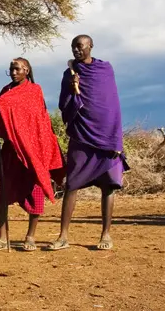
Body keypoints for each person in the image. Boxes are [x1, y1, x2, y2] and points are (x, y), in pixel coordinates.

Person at [49, 35, 129, 251]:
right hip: (82, 135)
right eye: (73, 46)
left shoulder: (105, 70)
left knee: (108, 185)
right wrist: (73, 89)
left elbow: (112, 105)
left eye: (80, 46)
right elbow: (64, 106)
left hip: (107, 138)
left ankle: (106, 235)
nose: (76, 50)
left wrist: (116, 140)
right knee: (72, 184)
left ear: (90, 46)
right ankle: (63, 236)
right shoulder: (70, 73)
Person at [0, 58, 64, 252]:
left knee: (35, 193)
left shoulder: (35, 90)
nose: (13, 72)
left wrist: (43, 147)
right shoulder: (6, 91)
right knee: (3, 195)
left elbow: (41, 120)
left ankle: (30, 237)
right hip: (12, 150)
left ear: (26, 70)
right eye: (11, 69)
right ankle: (2, 238)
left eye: (17, 69)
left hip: (33, 151)